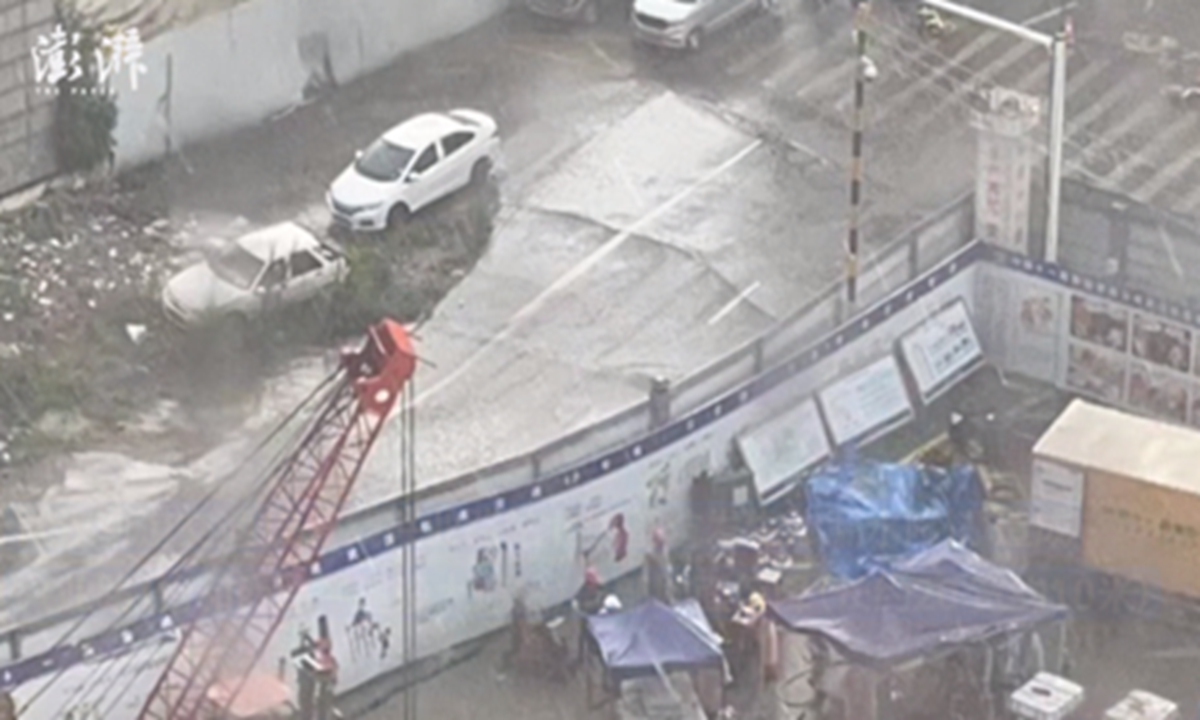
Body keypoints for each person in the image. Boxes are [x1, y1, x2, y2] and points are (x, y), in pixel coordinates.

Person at [574, 567, 605, 663]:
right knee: (586, 640)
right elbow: (580, 606)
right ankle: (582, 659)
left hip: (600, 621)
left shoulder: (600, 589)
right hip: (589, 623)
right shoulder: (582, 594)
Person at [644, 528, 673, 603]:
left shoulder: (665, 551)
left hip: (667, 589)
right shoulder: (650, 555)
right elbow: (646, 575)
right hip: (657, 590)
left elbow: (667, 567)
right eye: (659, 540)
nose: (662, 542)